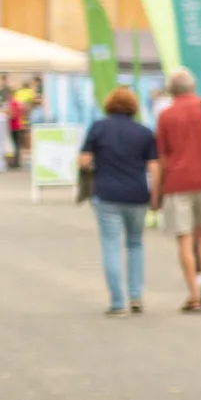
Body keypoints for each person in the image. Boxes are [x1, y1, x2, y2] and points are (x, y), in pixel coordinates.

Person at [153, 70, 201, 313]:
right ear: (193, 86)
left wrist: (157, 192)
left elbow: (162, 157)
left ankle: (194, 295)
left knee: (184, 238)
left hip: (177, 183)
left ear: (171, 91)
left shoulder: (165, 115)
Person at [78, 88, 159, 315]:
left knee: (111, 246)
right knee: (135, 244)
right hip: (137, 195)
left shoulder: (98, 127)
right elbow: (154, 166)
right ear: (134, 107)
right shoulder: (144, 132)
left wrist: (95, 167)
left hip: (107, 195)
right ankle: (136, 296)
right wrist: (155, 195)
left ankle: (117, 301)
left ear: (109, 105)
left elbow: (83, 161)